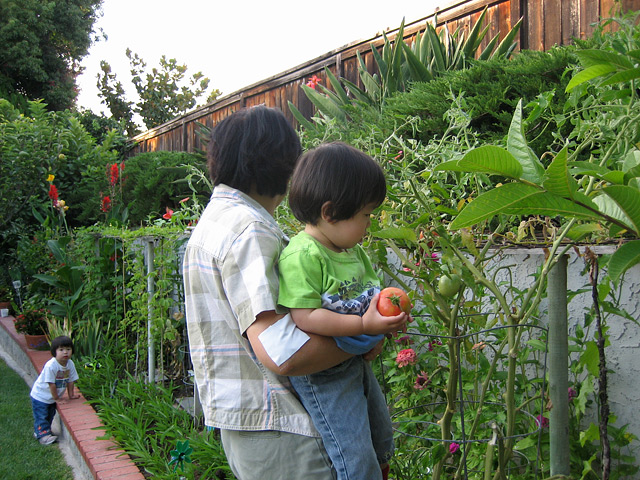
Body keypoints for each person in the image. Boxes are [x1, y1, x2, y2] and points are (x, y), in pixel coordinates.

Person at [183, 106, 405, 480]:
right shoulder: (248, 229)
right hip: (280, 424)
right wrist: (365, 335)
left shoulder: (213, 222)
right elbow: (284, 353)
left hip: (246, 420)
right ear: (282, 165)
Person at [277, 142, 408, 480]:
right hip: (325, 375)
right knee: (354, 456)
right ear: (330, 212)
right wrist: (364, 323)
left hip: (353, 360)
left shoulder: (352, 251)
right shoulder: (303, 255)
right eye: (365, 215)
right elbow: (304, 317)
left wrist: (380, 325)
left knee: (381, 442)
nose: (369, 224)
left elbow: (371, 293)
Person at [30, 335, 80, 445]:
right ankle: (43, 436)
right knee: (41, 415)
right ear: (54, 351)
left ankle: (42, 431)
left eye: (68, 349)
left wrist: (71, 395)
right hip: (41, 396)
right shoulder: (51, 366)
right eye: (61, 350)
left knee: (50, 414)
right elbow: (51, 384)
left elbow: (71, 380)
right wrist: (57, 398)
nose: (65, 352)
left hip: (51, 397)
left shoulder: (70, 364)